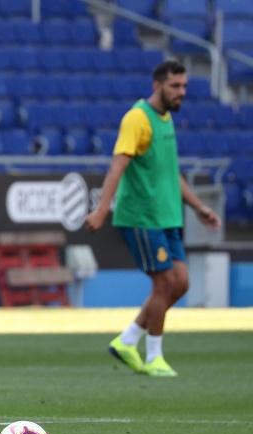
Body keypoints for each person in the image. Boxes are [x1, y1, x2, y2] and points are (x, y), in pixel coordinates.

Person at [85, 60, 221, 377]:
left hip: (167, 216)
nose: (181, 92)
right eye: (175, 86)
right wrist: (102, 209)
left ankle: (128, 339)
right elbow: (117, 166)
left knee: (181, 283)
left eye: (184, 86)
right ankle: (154, 356)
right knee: (165, 282)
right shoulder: (137, 119)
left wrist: (198, 206)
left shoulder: (165, 118)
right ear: (156, 86)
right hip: (143, 217)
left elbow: (171, 173)